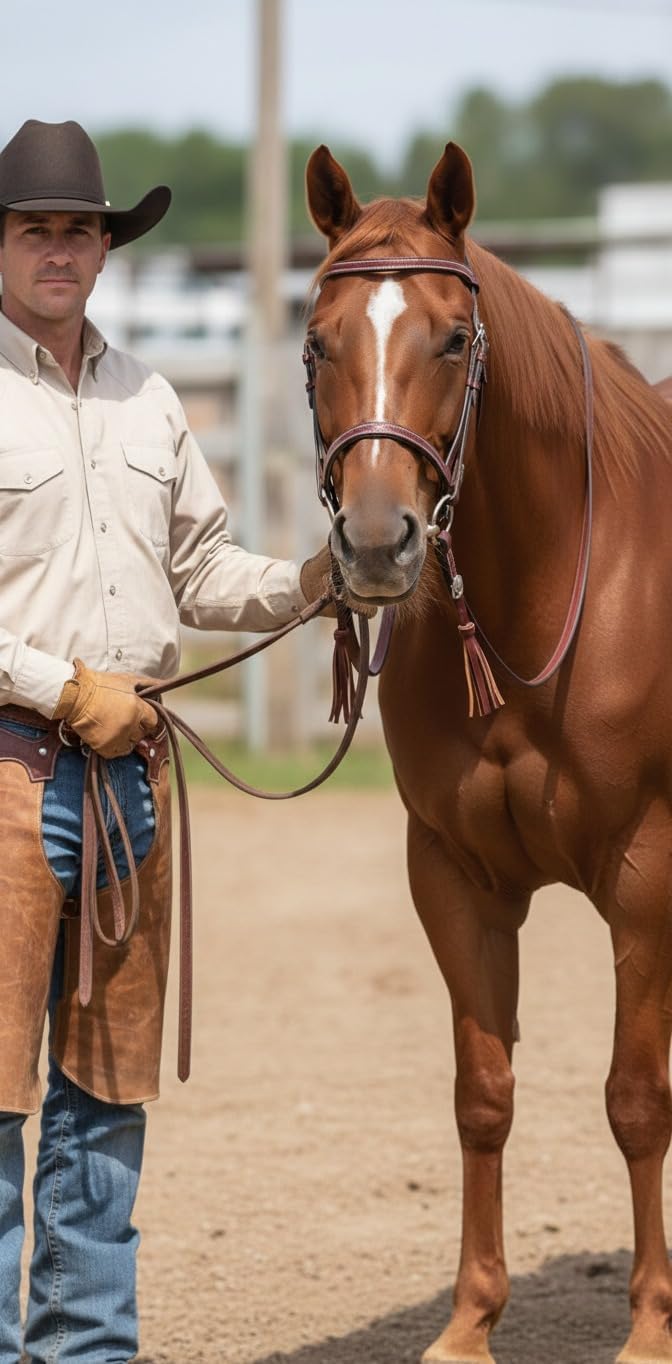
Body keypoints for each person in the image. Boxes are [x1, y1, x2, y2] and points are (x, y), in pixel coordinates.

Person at [0, 119, 330, 1364]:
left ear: (104, 248)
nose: (60, 249)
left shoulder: (147, 397)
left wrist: (310, 582)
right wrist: (64, 684)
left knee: (108, 1088)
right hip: (11, 767)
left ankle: (84, 1350)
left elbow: (203, 568)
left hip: (129, 780)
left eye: (79, 230)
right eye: (36, 228)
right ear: (2, 245)